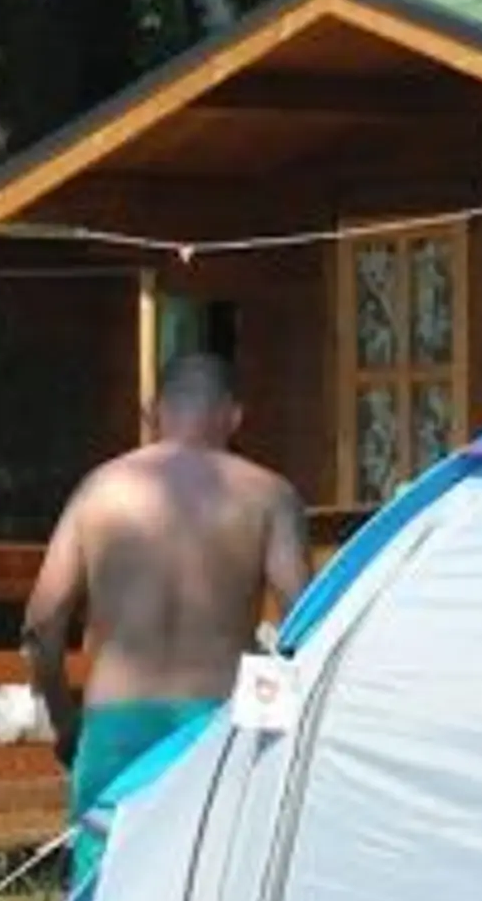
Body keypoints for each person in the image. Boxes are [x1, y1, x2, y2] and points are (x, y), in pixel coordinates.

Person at [23, 352, 309, 832]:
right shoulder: (269, 496)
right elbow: (305, 625)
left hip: (116, 720)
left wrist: (65, 720)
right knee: (208, 887)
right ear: (235, 416)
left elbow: (43, 624)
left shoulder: (99, 490)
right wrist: (271, 722)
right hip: (220, 722)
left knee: (106, 887)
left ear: (152, 412)